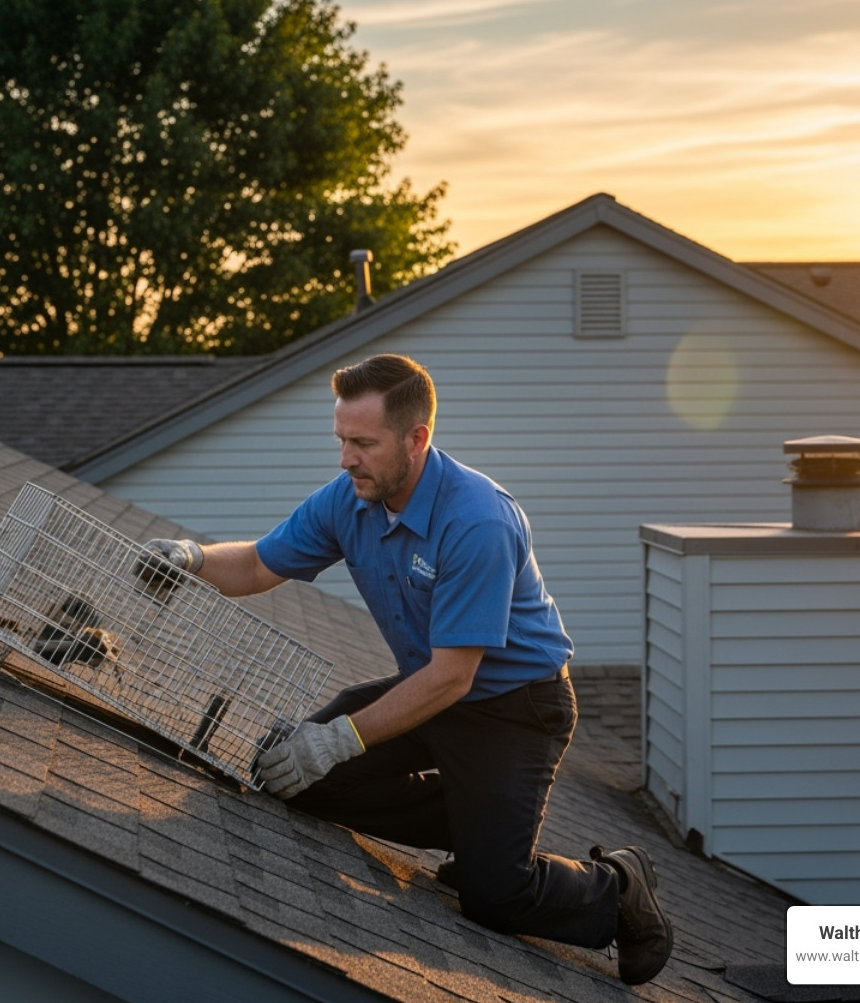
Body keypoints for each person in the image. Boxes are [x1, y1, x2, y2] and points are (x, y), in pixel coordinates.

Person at [141, 354, 672, 985]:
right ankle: (478, 822)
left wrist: (340, 738)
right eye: (342, 440)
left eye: (363, 443)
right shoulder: (350, 500)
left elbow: (455, 676)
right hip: (432, 690)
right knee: (288, 774)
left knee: (495, 896)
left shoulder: (477, 521)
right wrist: (192, 558)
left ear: (416, 439)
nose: (346, 459)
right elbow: (259, 564)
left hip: (513, 707)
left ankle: (617, 883)